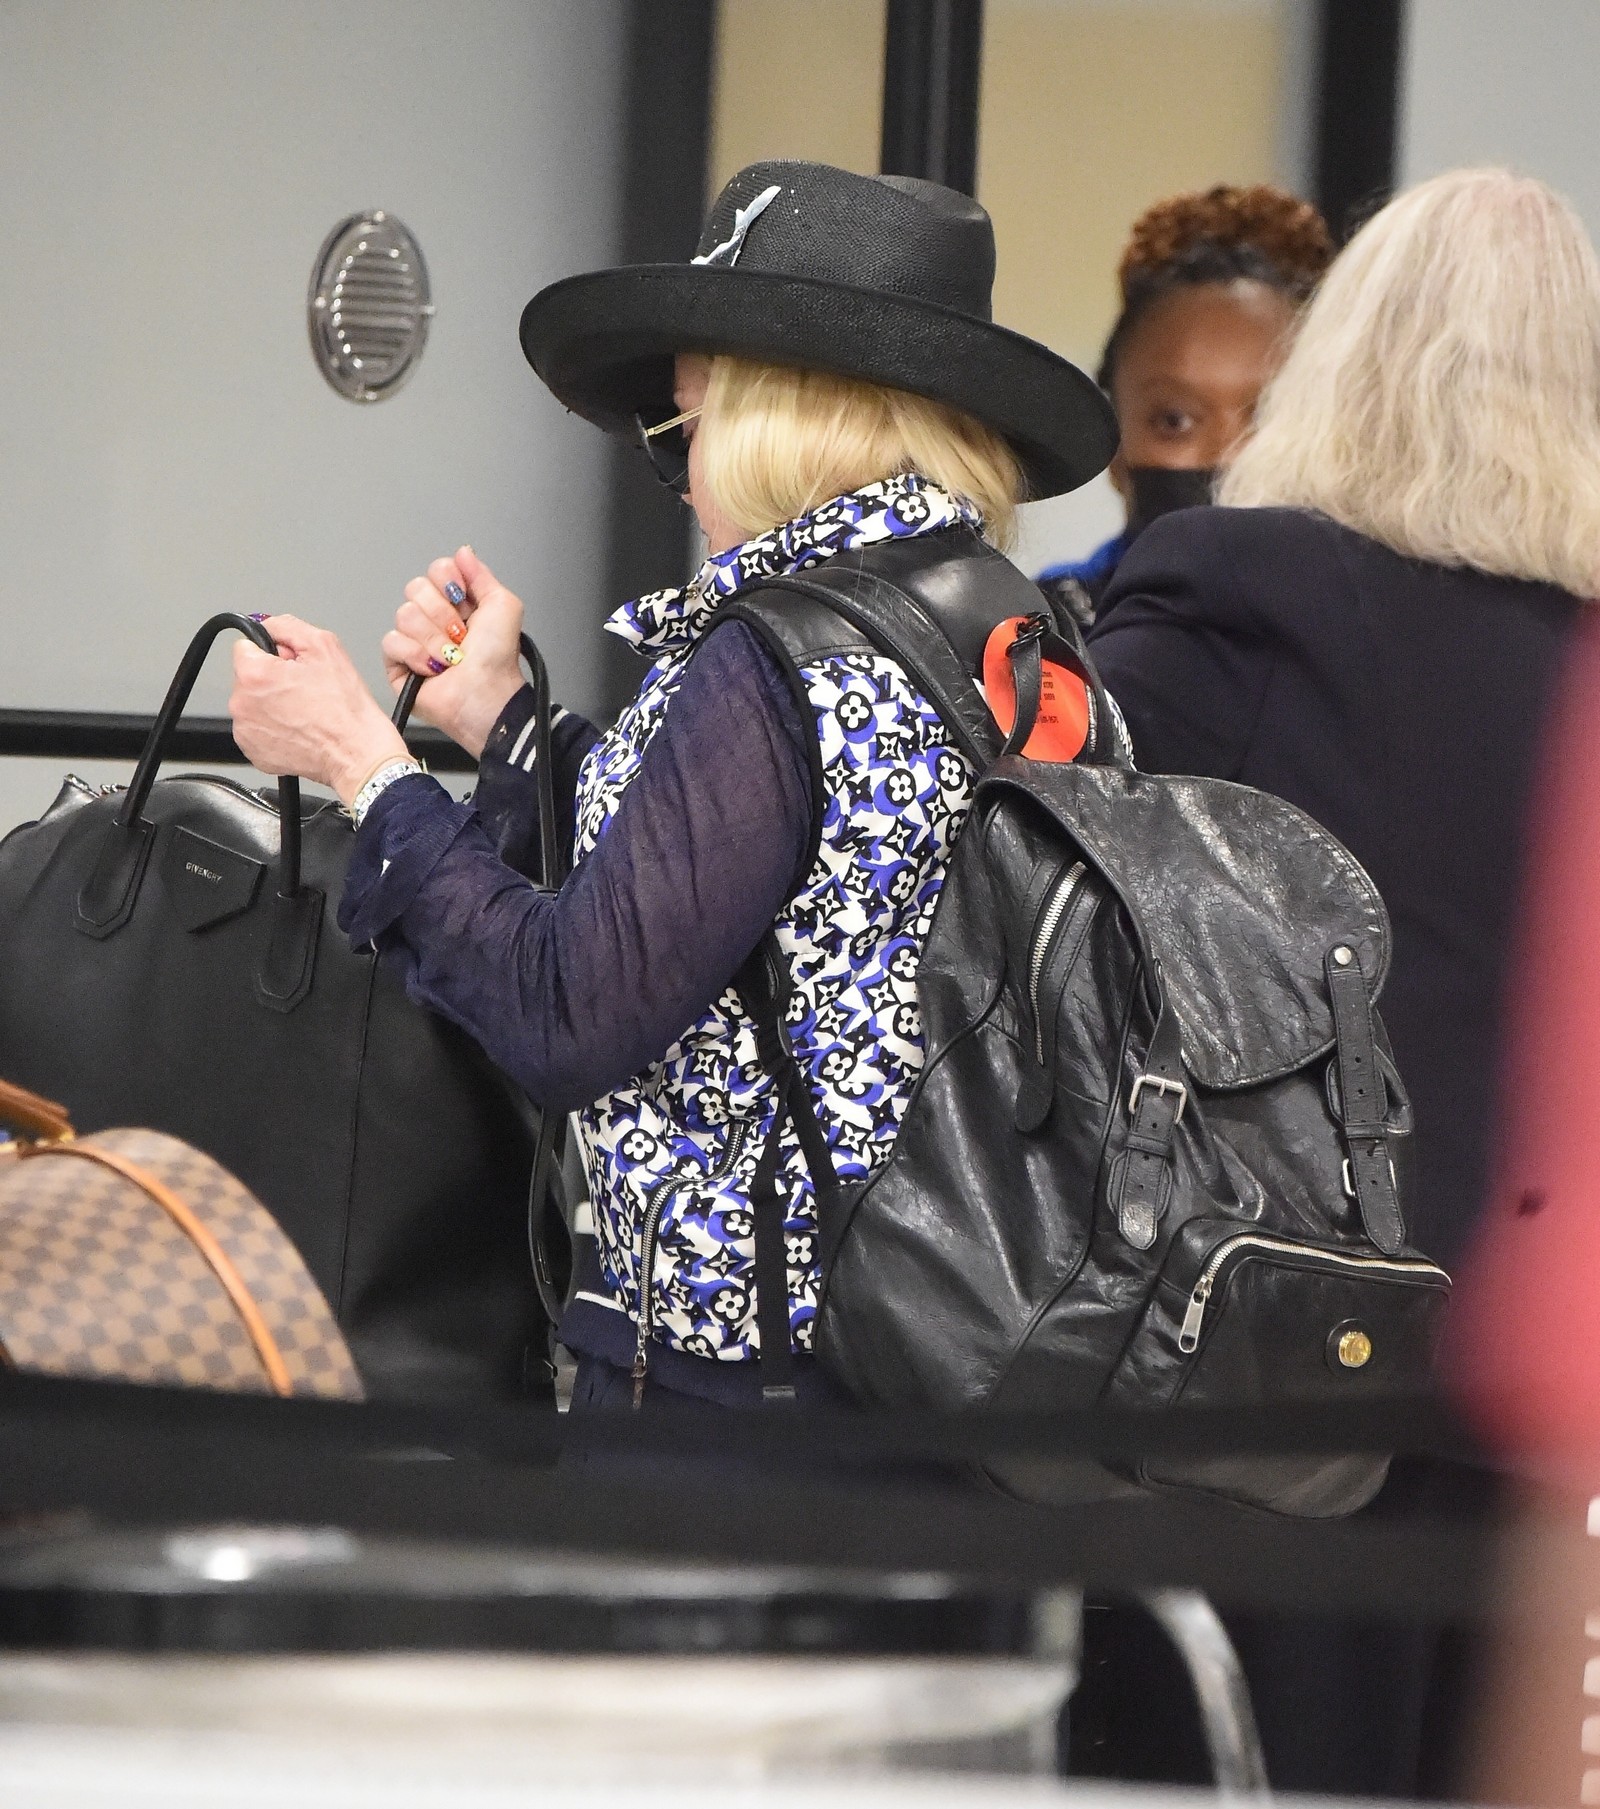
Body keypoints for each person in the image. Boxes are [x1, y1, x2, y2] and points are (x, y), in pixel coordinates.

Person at [228, 159, 1116, 1415]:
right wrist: (502, 721)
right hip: (962, 1353)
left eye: (683, 432)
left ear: (773, 426)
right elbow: (741, 895)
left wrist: (359, 764)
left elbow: (568, 1010)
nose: (681, 476)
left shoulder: (779, 656)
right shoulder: (1020, 635)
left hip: (741, 1393)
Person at [1083, 167, 1600, 1798]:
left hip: (1280, 1349)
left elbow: (1043, 877)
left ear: (1346, 357)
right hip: (1541, 1379)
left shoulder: (1249, 595)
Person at [1037, 184, 1331, 622]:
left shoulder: (1395, 632)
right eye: (1175, 421)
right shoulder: (1043, 636)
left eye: (1271, 417)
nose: (1229, 458)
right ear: (1113, 446)